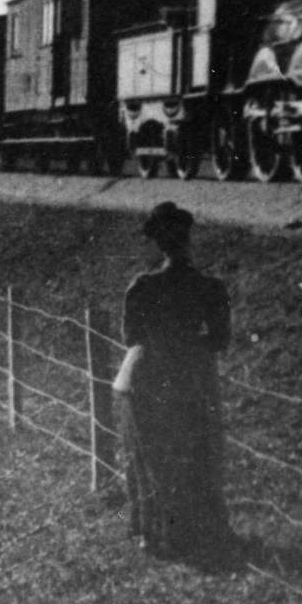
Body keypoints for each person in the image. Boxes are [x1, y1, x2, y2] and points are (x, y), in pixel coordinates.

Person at [115, 202, 236, 562]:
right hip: (191, 378)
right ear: (187, 239)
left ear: (156, 243)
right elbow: (219, 340)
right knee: (196, 453)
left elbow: (130, 336)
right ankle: (199, 532)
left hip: (145, 377)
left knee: (150, 456)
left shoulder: (142, 286)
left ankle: (155, 535)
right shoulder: (211, 287)